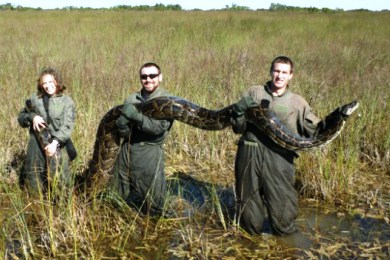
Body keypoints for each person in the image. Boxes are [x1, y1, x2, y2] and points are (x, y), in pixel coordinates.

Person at [231, 56, 338, 236]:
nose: (279, 76)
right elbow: (237, 128)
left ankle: (285, 249)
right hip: (249, 153)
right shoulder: (254, 93)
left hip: (280, 159)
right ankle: (251, 248)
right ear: (271, 72)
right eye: (276, 71)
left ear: (291, 76)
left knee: (283, 217)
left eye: (284, 72)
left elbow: (316, 132)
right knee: (248, 216)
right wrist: (238, 112)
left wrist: (337, 118)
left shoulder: (297, 103)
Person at [108, 62, 173, 216]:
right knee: (115, 192)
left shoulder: (167, 101)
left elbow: (157, 129)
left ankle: (156, 230)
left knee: (155, 203)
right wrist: (122, 126)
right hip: (127, 149)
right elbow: (124, 133)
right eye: (144, 76)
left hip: (149, 151)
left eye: (152, 76)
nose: (148, 79)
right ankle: (116, 219)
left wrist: (136, 116)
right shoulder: (131, 99)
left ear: (160, 77)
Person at [18, 67, 76, 195]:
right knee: (34, 174)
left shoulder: (66, 102)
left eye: (51, 82)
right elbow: (21, 117)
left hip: (58, 142)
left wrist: (55, 143)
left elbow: (67, 126)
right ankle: (36, 204)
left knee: (61, 178)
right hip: (36, 142)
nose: (48, 86)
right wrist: (32, 117)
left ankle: (62, 206)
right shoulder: (35, 99)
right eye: (44, 83)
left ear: (57, 82)